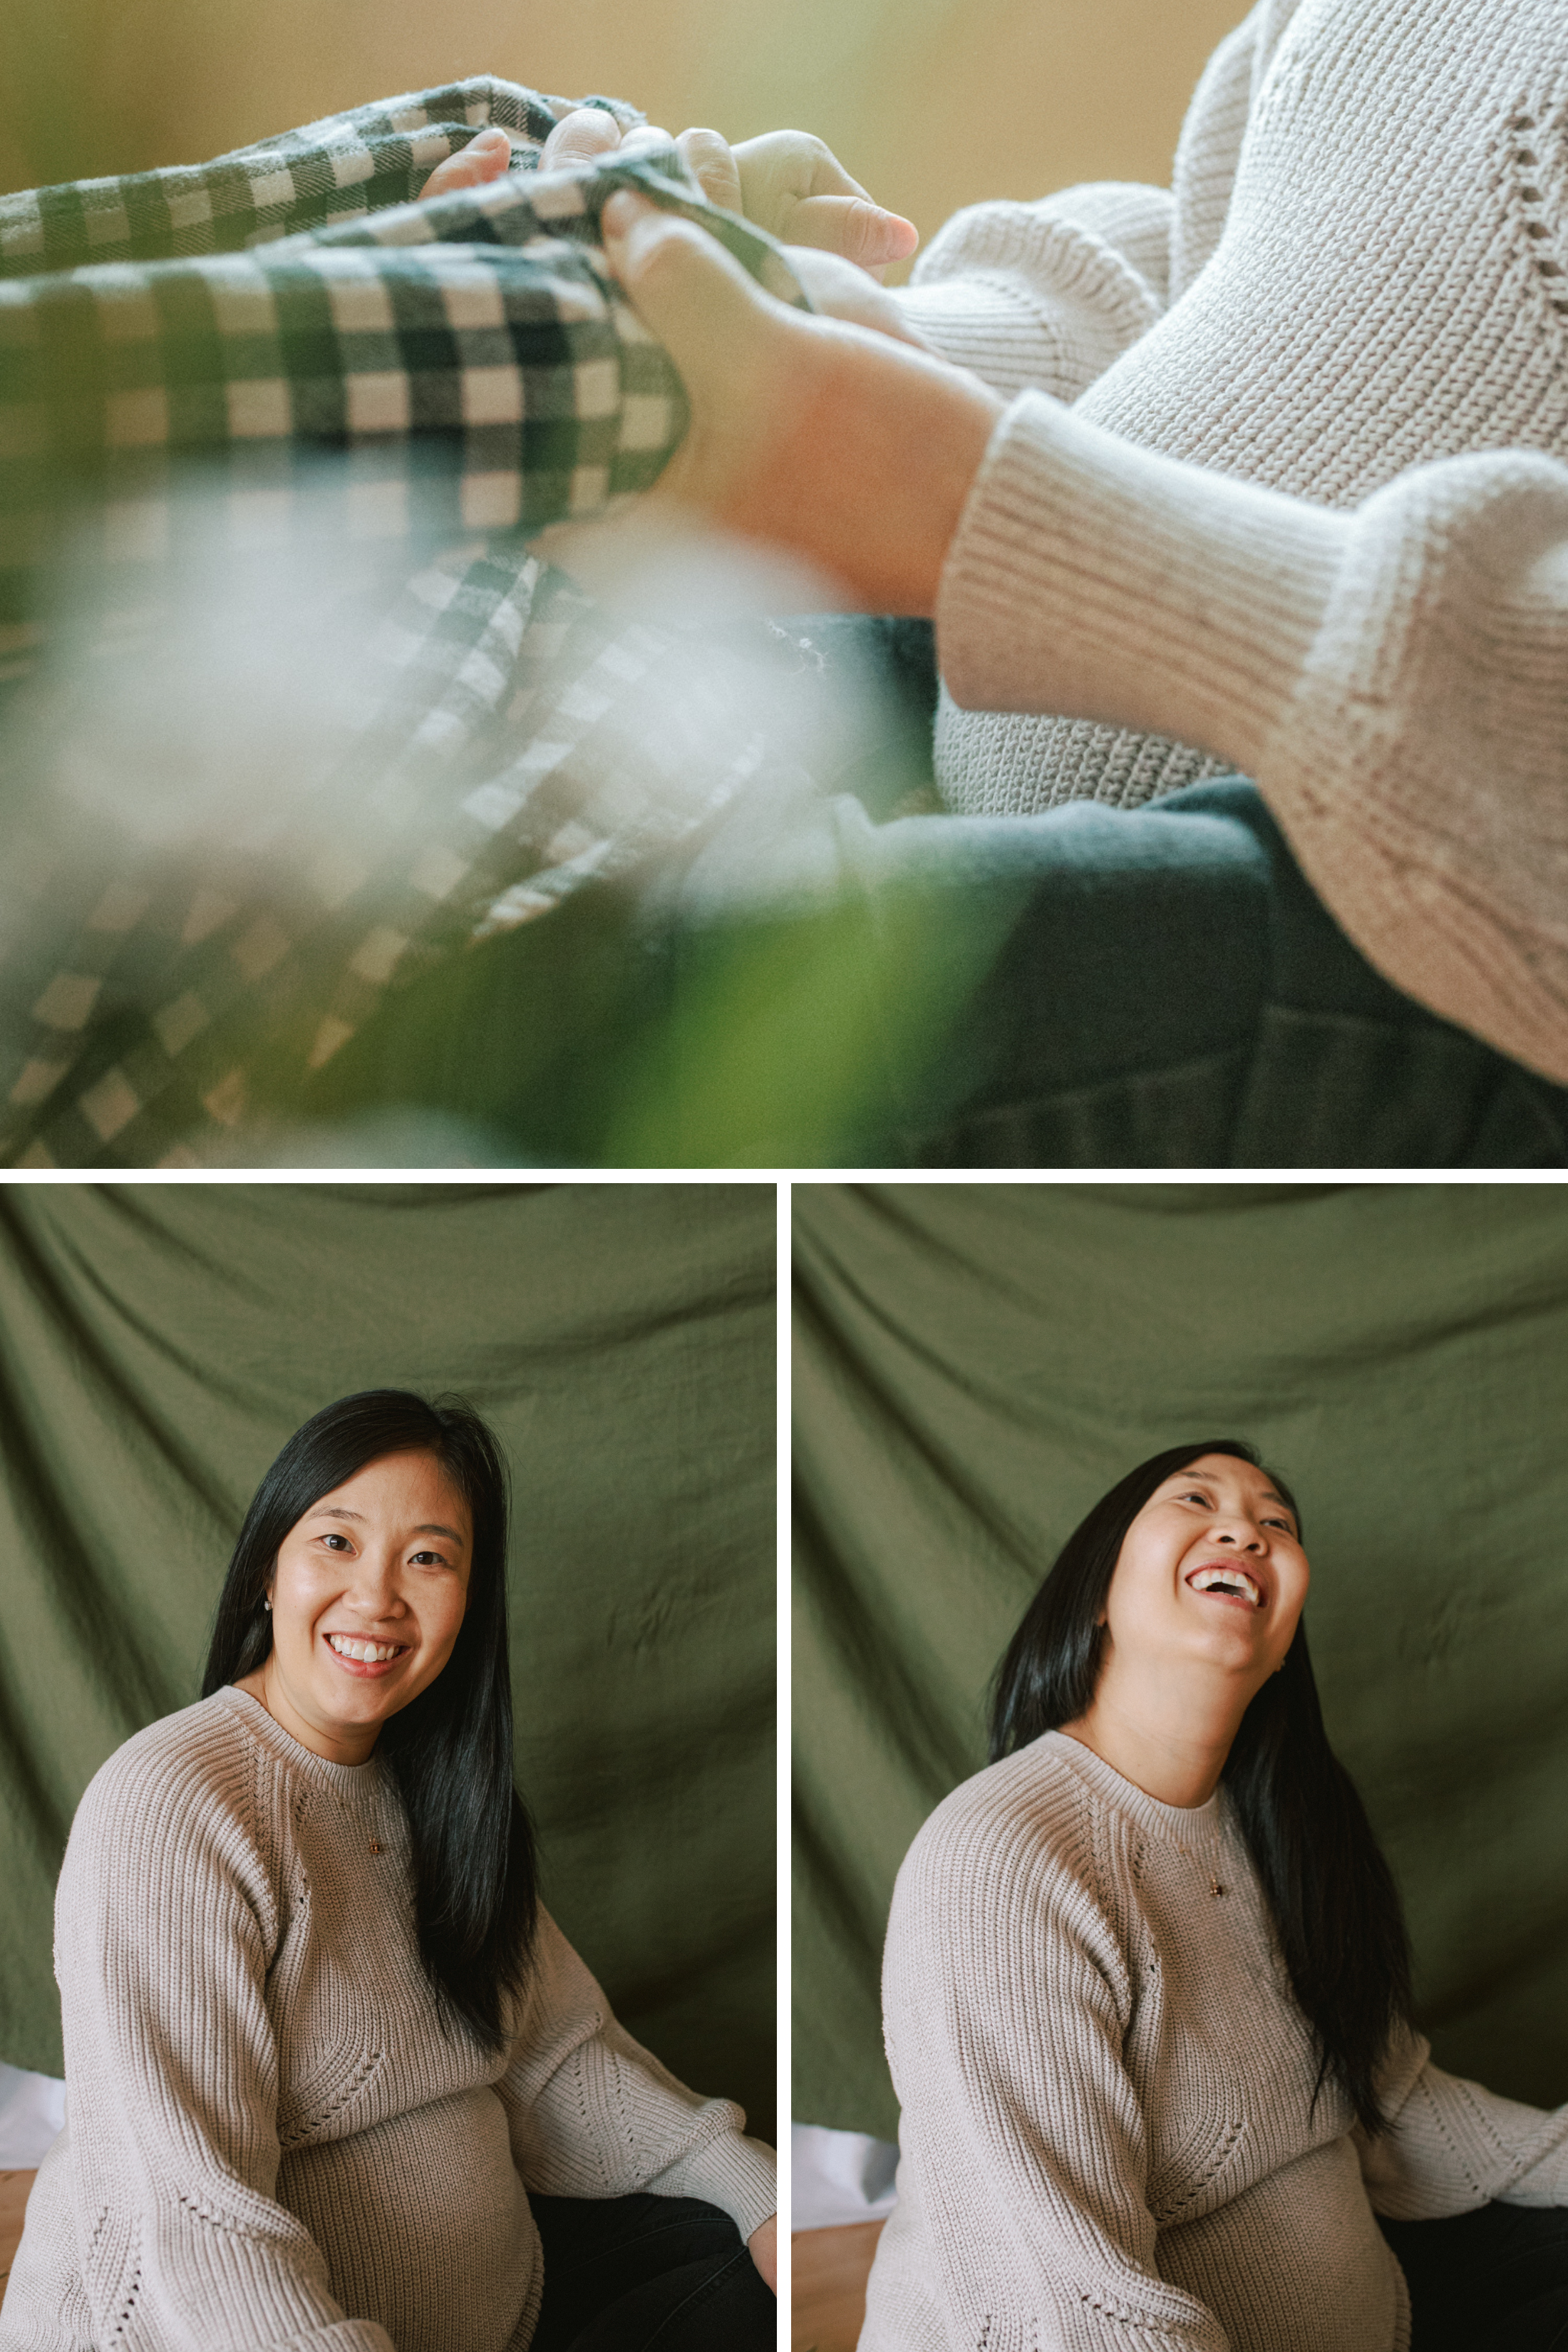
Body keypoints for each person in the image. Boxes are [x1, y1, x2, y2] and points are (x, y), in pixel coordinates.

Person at [0, 1388, 776, 2352]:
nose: (377, 1598)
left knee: (747, 2272)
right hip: (241, 2329)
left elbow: (555, 2061)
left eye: (428, 1558)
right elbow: (197, 2210)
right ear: (267, 1571)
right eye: (337, 1542)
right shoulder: (173, 1803)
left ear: (469, 1602)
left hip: (500, 2309)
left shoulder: (440, 1793)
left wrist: (754, 2192)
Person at [861, 1440, 1568, 2351]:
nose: (1245, 1530)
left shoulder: (1283, 1829)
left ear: (1281, 1648)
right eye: (1195, 1501)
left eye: (1276, 1522)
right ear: (1095, 1595)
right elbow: (1078, 2308)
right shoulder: (999, 1860)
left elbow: (1389, 2108)